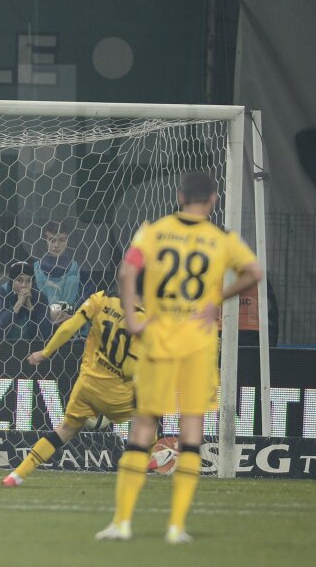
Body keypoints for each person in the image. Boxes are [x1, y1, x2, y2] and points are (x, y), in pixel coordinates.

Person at [97, 171, 261, 544]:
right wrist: (217, 299)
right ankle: (175, 527)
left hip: (158, 342)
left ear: (179, 195)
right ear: (213, 200)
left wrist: (132, 317)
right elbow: (254, 272)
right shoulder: (222, 239)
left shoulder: (153, 232)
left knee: (143, 429)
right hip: (198, 345)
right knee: (191, 433)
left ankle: (121, 522)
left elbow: (127, 271)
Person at [2, 290, 141, 487]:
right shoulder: (146, 319)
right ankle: (145, 462)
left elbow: (69, 327)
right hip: (116, 391)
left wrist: (45, 352)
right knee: (147, 421)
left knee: (65, 429)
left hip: (87, 384)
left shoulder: (101, 299)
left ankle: (16, 475)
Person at [33, 221, 92, 321]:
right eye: (52, 240)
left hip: (72, 321)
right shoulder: (34, 269)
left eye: (61, 240)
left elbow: (88, 297)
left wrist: (68, 311)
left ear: (67, 240)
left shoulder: (80, 269)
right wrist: (50, 312)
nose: (56, 245)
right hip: (41, 323)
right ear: (45, 240)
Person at [0, 260, 51, 341]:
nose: (24, 285)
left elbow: (44, 335)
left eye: (28, 281)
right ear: (12, 281)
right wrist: (18, 304)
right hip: (0, 345)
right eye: (19, 280)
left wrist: (30, 307)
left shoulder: (40, 298)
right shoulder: (0, 295)